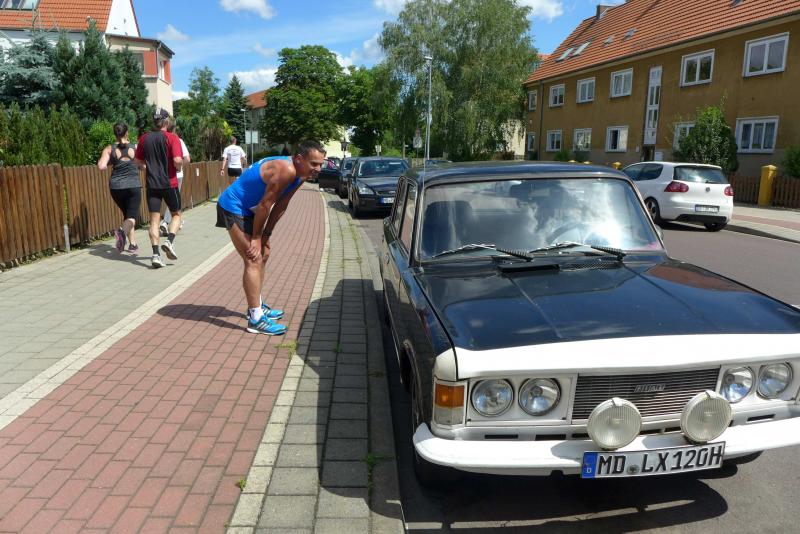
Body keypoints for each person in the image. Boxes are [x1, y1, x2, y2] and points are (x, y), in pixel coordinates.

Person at [215, 140, 325, 335]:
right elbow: (266, 205)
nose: (318, 169)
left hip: (250, 210)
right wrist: (256, 238)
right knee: (253, 258)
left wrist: (266, 235)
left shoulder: (301, 174)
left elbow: (281, 204)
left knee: (264, 253)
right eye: (314, 164)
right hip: (233, 206)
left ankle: (256, 304)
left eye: (321, 164)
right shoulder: (286, 170)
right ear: (299, 159)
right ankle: (255, 318)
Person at [135, 108, 184, 268]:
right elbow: (178, 160)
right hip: (169, 184)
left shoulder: (144, 138)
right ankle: (169, 242)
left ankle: (156, 255)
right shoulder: (172, 138)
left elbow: (138, 162)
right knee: (176, 214)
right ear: (166, 121)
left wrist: (146, 167)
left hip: (152, 185)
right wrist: (178, 167)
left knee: (154, 221)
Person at [97, 122, 141, 254]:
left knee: (127, 214)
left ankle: (132, 244)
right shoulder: (136, 147)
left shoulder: (109, 149)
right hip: (133, 185)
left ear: (115, 134)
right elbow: (143, 165)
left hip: (116, 188)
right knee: (132, 216)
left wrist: (112, 160)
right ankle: (121, 234)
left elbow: (101, 166)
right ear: (127, 133)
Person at [160, 123, 190, 236]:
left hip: (161, 175)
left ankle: (177, 221)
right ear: (174, 131)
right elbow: (187, 158)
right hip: (176, 175)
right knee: (174, 200)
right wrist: (180, 166)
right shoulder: (178, 140)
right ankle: (166, 222)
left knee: (171, 200)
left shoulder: (160, 140)